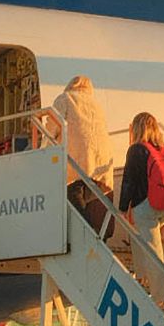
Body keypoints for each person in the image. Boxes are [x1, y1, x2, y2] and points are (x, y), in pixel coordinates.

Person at [118, 112, 164, 303]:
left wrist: (123, 208)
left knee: (153, 250)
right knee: (140, 238)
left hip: (146, 207)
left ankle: (159, 296)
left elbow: (128, 181)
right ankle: (141, 277)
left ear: (137, 128)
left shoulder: (136, 149)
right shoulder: (163, 149)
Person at [52, 76, 114, 236]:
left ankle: (87, 236)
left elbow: (52, 127)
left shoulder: (64, 99)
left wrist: (41, 149)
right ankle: (91, 236)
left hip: (77, 161)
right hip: (100, 164)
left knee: (73, 194)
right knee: (80, 199)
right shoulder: (97, 105)